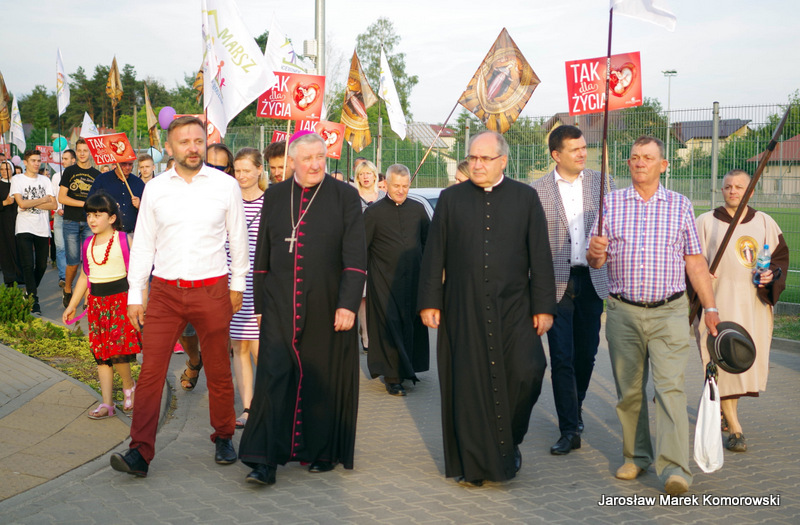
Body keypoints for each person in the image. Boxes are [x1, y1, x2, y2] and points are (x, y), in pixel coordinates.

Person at [109, 116, 249, 478]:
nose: (192, 147)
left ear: (205, 144)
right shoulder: (156, 189)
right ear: (169, 147)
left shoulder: (225, 186)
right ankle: (139, 451)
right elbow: (144, 244)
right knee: (152, 371)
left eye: (198, 141)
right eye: (184, 142)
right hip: (165, 292)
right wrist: (135, 294)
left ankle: (224, 435)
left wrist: (237, 285)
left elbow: (239, 239)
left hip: (212, 288)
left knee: (218, 368)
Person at [418, 130, 556, 486]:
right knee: (469, 386)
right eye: (472, 158)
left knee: (528, 371)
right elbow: (434, 253)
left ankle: (509, 439)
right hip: (463, 306)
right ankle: (475, 465)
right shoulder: (451, 199)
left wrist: (544, 306)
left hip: (514, 305)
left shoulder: (525, 198)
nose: (476, 164)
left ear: (503, 161)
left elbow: (540, 255)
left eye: (484, 158)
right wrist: (430, 300)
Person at [587, 135, 720, 496]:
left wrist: (710, 308)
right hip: (623, 312)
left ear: (663, 165)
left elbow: (695, 262)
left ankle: (675, 468)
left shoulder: (680, 205)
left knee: (670, 389)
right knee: (629, 391)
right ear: (628, 163)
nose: (640, 162)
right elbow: (596, 260)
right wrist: (595, 252)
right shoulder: (610, 203)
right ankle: (636, 456)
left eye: (648, 157)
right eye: (634, 157)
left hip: (670, 313)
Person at [238, 131, 366, 486]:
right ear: (291, 161)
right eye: (307, 158)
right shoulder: (276, 195)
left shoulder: (345, 196)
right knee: (272, 377)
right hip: (279, 304)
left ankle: (320, 451)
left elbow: (356, 257)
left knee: (320, 380)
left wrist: (348, 305)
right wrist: (259, 304)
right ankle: (263, 459)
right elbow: (262, 254)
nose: (314, 164)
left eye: (320, 157)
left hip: (326, 304)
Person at [693, 169, 789, 453]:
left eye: (739, 187)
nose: (732, 191)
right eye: (727, 186)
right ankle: (736, 428)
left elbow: (779, 259)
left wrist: (771, 275)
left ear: (750, 191)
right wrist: (701, 274)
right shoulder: (706, 222)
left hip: (752, 305)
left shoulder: (765, 222)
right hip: (717, 305)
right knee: (723, 360)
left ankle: (725, 410)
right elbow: (690, 260)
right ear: (721, 190)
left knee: (743, 362)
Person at [532, 125, 614, 455]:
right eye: (574, 149)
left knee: (586, 354)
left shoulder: (602, 182)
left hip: (592, 280)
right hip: (556, 284)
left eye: (584, 147)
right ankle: (569, 428)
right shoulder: (537, 191)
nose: (582, 153)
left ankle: (575, 407)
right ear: (556, 155)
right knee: (562, 357)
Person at [63, 192, 141, 419]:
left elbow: (137, 274)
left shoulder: (124, 240)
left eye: (98, 215)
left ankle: (129, 385)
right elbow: (84, 276)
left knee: (118, 351)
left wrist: (140, 303)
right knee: (102, 354)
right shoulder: (88, 243)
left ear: (112, 218)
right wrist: (72, 304)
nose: (92, 220)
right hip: (97, 305)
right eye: (89, 215)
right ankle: (107, 403)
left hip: (120, 302)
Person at [364, 164, 430, 396]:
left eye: (405, 186)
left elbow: (428, 242)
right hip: (384, 281)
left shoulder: (418, 209)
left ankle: (407, 368)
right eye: (396, 186)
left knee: (410, 324)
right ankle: (392, 377)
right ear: (386, 185)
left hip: (413, 280)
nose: (401, 190)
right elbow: (362, 247)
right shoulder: (373, 213)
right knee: (389, 326)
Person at [229, 147, 266, 429]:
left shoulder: (270, 203)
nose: (241, 176)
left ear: (259, 170)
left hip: (259, 287)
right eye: (237, 170)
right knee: (239, 347)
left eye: (246, 170)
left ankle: (268, 405)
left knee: (260, 350)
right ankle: (248, 408)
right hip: (232, 286)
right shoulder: (228, 203)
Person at [11, 151, 58, 314]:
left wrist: (30, 202)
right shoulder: (17, 179)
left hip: (42, 228)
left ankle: (29, 292)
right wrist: (43, 199)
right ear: (25, 162)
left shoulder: (45, 180)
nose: (37, 163)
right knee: (27, 265)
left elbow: (53, 205)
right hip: (24, 227)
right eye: (33, 160)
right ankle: (34, 301)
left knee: (41, 265)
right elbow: (21, 204)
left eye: (39, 160)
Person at [59, 138, 101, 308]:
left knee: (89, 262)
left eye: (85, 150)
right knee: (73, 262)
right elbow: (62, 198)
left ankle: (86, 297)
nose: (82, 153)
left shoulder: (97, 175)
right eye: (79, 150)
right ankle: (68, 288)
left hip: (90, 223)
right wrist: (84, 203)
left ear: (90, 152)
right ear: (76, 152)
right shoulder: (69, 171)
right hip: (71, 221)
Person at [354, 160, 385, 352]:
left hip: (380, 251)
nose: (365, 177)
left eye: (368, 173)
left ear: (375, 175)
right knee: (363, 296)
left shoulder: (383, 196)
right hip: (360, 249)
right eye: (361, 174)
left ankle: (379, 332)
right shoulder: (352, 198)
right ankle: (365, 334)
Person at [88, 160, 145, 234]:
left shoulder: (138, 183)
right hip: (107, 233)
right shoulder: (102, 180)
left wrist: (140, 205)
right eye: (124, 164)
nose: (127, 167)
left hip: (132, 233)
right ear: (117, 164)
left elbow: (148, 211)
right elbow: (90, 204)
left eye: (130, 164)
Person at [51, 149, 76, 287]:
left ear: (73, 160)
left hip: (74, 216)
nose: (63, 161)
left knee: (72, 249)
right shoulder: (56, 176)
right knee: (60, 247)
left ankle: (71, 276)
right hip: (59, 215)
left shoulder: (77, 175)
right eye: (63, 158)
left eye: (66, 159)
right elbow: (53, 195)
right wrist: (57, 209)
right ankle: (63, 277)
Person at [0, 160, 21, 287]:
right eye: (2, 169)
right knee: (5, 250)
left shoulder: (17, 183)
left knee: (19, 248)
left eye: (7, 169)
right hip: (3, 221)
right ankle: (9, 278)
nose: (4, 171)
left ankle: (21, 276)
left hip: (18, 220)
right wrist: (5, 203)